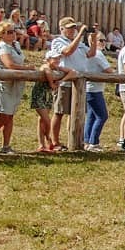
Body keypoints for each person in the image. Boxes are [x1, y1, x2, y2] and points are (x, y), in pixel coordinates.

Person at [0, 21, 38, 153]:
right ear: (1, 35)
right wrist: (28, 68)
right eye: (9, 32)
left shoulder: (16, 45)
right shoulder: (2, 47)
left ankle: (6, 145)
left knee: (10, 115)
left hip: (15, 84)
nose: (13, 34)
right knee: (4, 115)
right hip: (3, 83)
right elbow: (9, 65)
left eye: (14, 31)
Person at [50, 17, 96, 152]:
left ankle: (74, 140)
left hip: (79, 83)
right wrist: (80, 36)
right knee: (59, 112)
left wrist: (92, 40)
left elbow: (91, 54)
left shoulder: (80, 43)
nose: (72, 30)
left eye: (74, 28)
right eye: (69, 28)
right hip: (65, 81)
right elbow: (67, 52)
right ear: (62, 29)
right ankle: (55, 141)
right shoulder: (58, 41)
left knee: (75, 113)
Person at [82, 31, 112, 152]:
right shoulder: (98, 54)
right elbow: (108, 70)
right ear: (92, 41)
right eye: (100, 40)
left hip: (91, 88)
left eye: (104, 40)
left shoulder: (94, 53)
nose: (103, 43)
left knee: (92, 116)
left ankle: (87, 141)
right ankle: (93, 142)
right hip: (94, 90)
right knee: (102, 115)